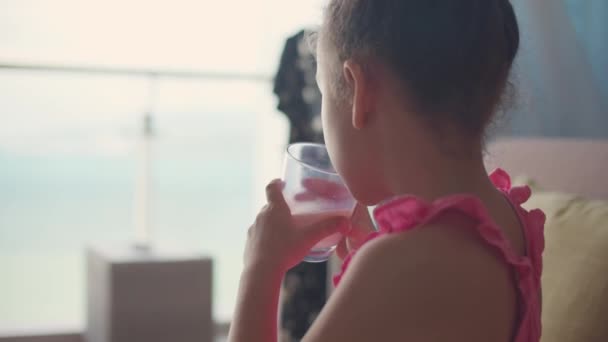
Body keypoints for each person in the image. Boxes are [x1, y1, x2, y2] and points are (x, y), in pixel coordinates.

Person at [228, 0, 545, 341]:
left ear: (359, 92)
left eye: (324, 93)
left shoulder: (396, 265)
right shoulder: (510, 224)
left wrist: (259, 271)